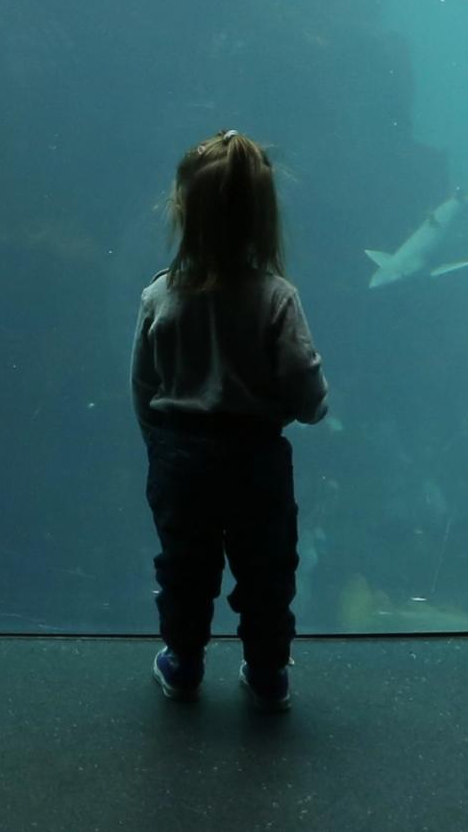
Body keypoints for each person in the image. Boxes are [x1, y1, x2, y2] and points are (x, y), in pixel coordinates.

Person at [133, 130, 327, 711]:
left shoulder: (159, 297)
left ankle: (184, 663)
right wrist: (303, 408)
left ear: (182, 212)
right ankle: (268, 672)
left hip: (179, 457)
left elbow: (144, 385)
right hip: (255, 457)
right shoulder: (276, 297)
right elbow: (306, 385)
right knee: (267, 569)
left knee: (184, 568)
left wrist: (159, 443)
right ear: (265, 218)